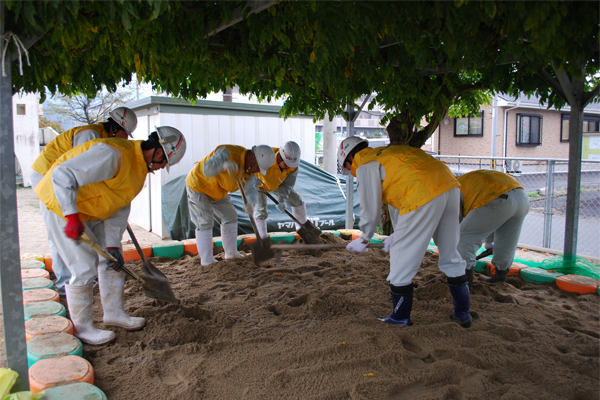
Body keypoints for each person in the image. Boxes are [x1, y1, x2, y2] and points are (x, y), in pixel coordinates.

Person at [35, 127, 186, 345]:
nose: (161, 168)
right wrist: (71, 216)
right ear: (159, 152)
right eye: (164, 162)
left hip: (90, 209)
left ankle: (114, 315)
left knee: (111, 260)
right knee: (83, 266)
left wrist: (113, 244)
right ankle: (83, 328)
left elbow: (120, 207)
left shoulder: (138, 169)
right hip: (61, 204)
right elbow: (62, 174)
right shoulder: (113, 153)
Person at [338, 137, 471, 328]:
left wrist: (365, 237)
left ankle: (400, 317)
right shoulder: (388, 155)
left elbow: (371, 207)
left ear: (349, 156)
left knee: (400, 262)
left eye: (349, 167)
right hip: (450, 187)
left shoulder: (364, 164)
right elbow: (400, 201)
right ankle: (463, 312)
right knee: (450, 254)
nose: (352, 172)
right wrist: (397, 234)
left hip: (422, 193)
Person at [30, 107, 138, 295]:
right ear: (115, 127)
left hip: (55, 175)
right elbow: (79, 170)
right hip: (46, 176)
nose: (126, 138)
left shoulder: (101, 135)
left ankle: (70, 279)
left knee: (63, 234)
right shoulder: (89, 135)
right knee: (61, 231)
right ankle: (66, 283)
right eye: (125, 133)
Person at [185, 145, 276, 266]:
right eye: (259, 168)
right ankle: (206, 260)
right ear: (253, 159)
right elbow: (207, 170)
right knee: (205, 220)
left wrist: (250, 204)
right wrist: (223, 166)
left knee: (230, 216)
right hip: (198, 185)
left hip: (218, 190)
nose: (258, 171)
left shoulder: (251, 171)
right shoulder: (227, 152)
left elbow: (250, 191)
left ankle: (231, 253)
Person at [456, 170, 530, 289]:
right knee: (507, 241)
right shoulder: (468, 181)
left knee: (462, 239)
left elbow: (458, 223)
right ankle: (499, 279)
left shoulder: (454, 187)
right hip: (522, 199)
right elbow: (486, 220)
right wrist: (489, 243)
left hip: (497, 199)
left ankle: (464, 283)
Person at [254, 141, 312, 238]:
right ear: (280, 157)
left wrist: (281, 199)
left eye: (291, 164)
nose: (289, 167)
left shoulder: (293, 166)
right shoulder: (263, 155)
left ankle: (303, 232)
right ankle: (262, 239)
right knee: (261, 210)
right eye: (286, 163)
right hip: (259, 184)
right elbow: (245, 166)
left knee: (297, 200)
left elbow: (288, 185)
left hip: (277, 184)